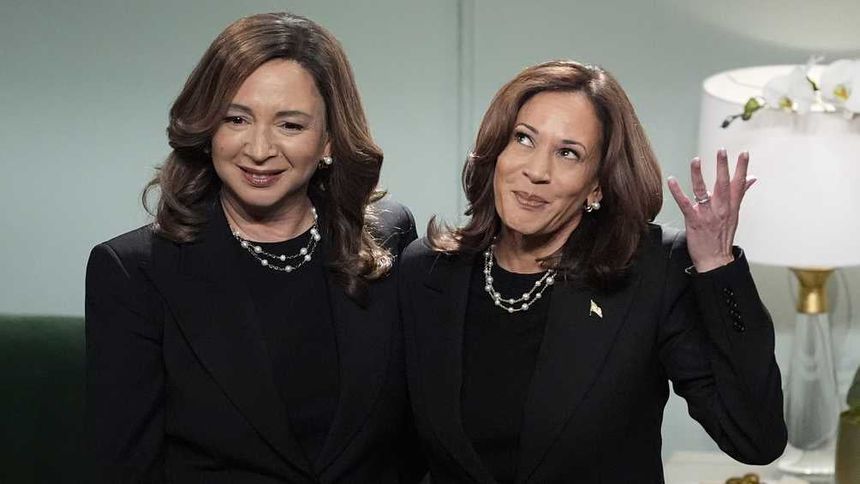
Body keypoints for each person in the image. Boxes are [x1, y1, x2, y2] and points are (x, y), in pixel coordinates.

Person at [399, 60, 787, 483]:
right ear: (497, 152)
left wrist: (717, 265)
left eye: (568, 153)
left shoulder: (651, 273)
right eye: (524, 138)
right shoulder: (427, 271)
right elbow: (398, 450)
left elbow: (754, 437)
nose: (536, 171)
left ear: (597, 185)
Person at [86, 12, 424, 483]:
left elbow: (415, 442)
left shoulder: (389, 235)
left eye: (290, 125)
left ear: (329, 139)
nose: (259, 149)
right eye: (237, 119)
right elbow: (126, 469)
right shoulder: (134, 271)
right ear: (208, 128)